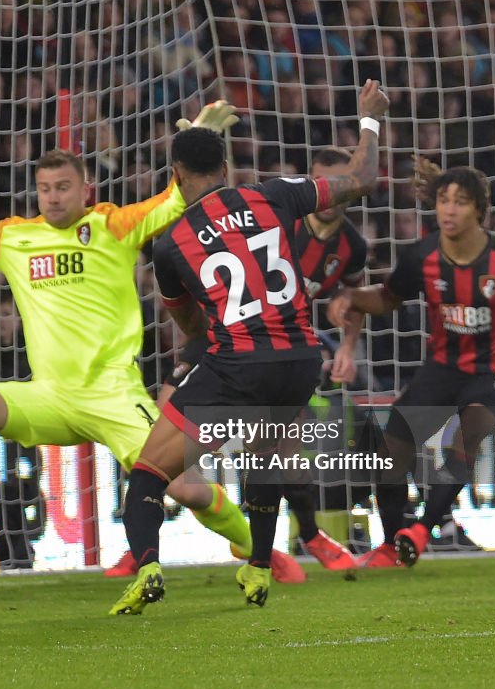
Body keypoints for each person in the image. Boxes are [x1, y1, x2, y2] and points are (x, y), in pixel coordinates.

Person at [0, 103, 288, 583]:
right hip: (51, 395)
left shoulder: (113, 226)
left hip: (114, 396)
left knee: (187, 489)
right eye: (45, 189)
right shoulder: (14, 238)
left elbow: (175, 201)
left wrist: (199, 141)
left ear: (85, 189)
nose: (53, 198)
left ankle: (257, 549)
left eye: (63, 188)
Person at [110, 79, 389, 615]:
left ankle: (146, 566)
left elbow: (189, 322)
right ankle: (259, 567)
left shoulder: (169, 245)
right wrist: (370, 118)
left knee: (148, 473)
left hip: (240, 361)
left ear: (176, 176)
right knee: (263, 458)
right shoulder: (273, 193)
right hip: (303, 360)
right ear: (226, 168)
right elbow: (362, 178)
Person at [327, 158, 495, 569]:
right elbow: (386, 299)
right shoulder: (421, 257)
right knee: (393, 444)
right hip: (444, 366)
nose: (449, 210)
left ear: (479, 210)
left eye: (460, 202)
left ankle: (424, 528)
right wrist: (351, 297)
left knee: (468, 433)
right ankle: (394, 543)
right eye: (444, 200)